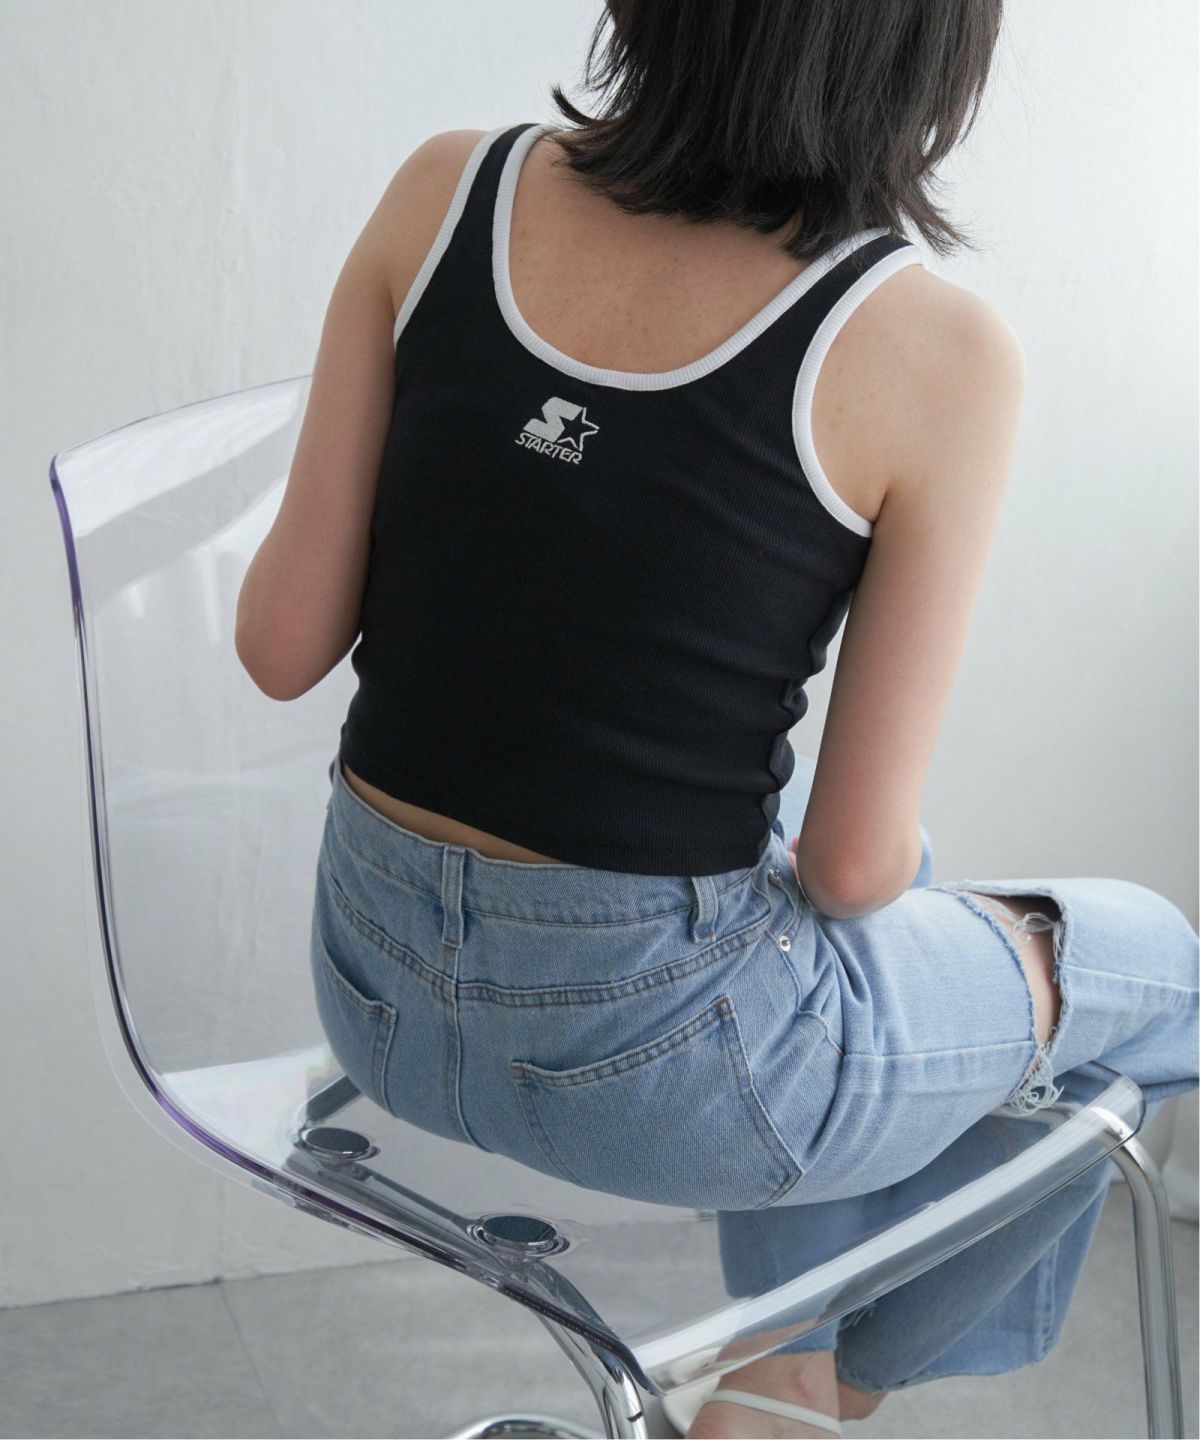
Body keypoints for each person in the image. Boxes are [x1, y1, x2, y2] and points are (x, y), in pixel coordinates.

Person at [234, 2, 1200, 1435]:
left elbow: (280, 646)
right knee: (1159, 969)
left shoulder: (445, 190)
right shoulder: (931, 348)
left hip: (372, 1003)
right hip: (662, 1077)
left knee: (863, 882)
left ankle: (792, 1340)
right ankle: (812, 1381)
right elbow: (853, 868)